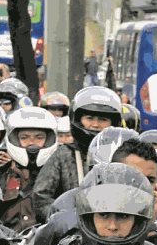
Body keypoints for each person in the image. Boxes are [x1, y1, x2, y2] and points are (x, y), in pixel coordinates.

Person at [33, 86, 122, 220]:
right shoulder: (63, 154)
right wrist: (65, 219)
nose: (95, 124)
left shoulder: (121, 155)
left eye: (103, 120)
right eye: (90, 118)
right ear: (78, 119)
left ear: (113, 123)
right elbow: (41, 197)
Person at [0, 106, 56, 233]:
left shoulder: (59, 175)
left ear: (49, 140)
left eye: (39, 137)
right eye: (24, 137)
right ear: (14, 139)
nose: (31, 143)